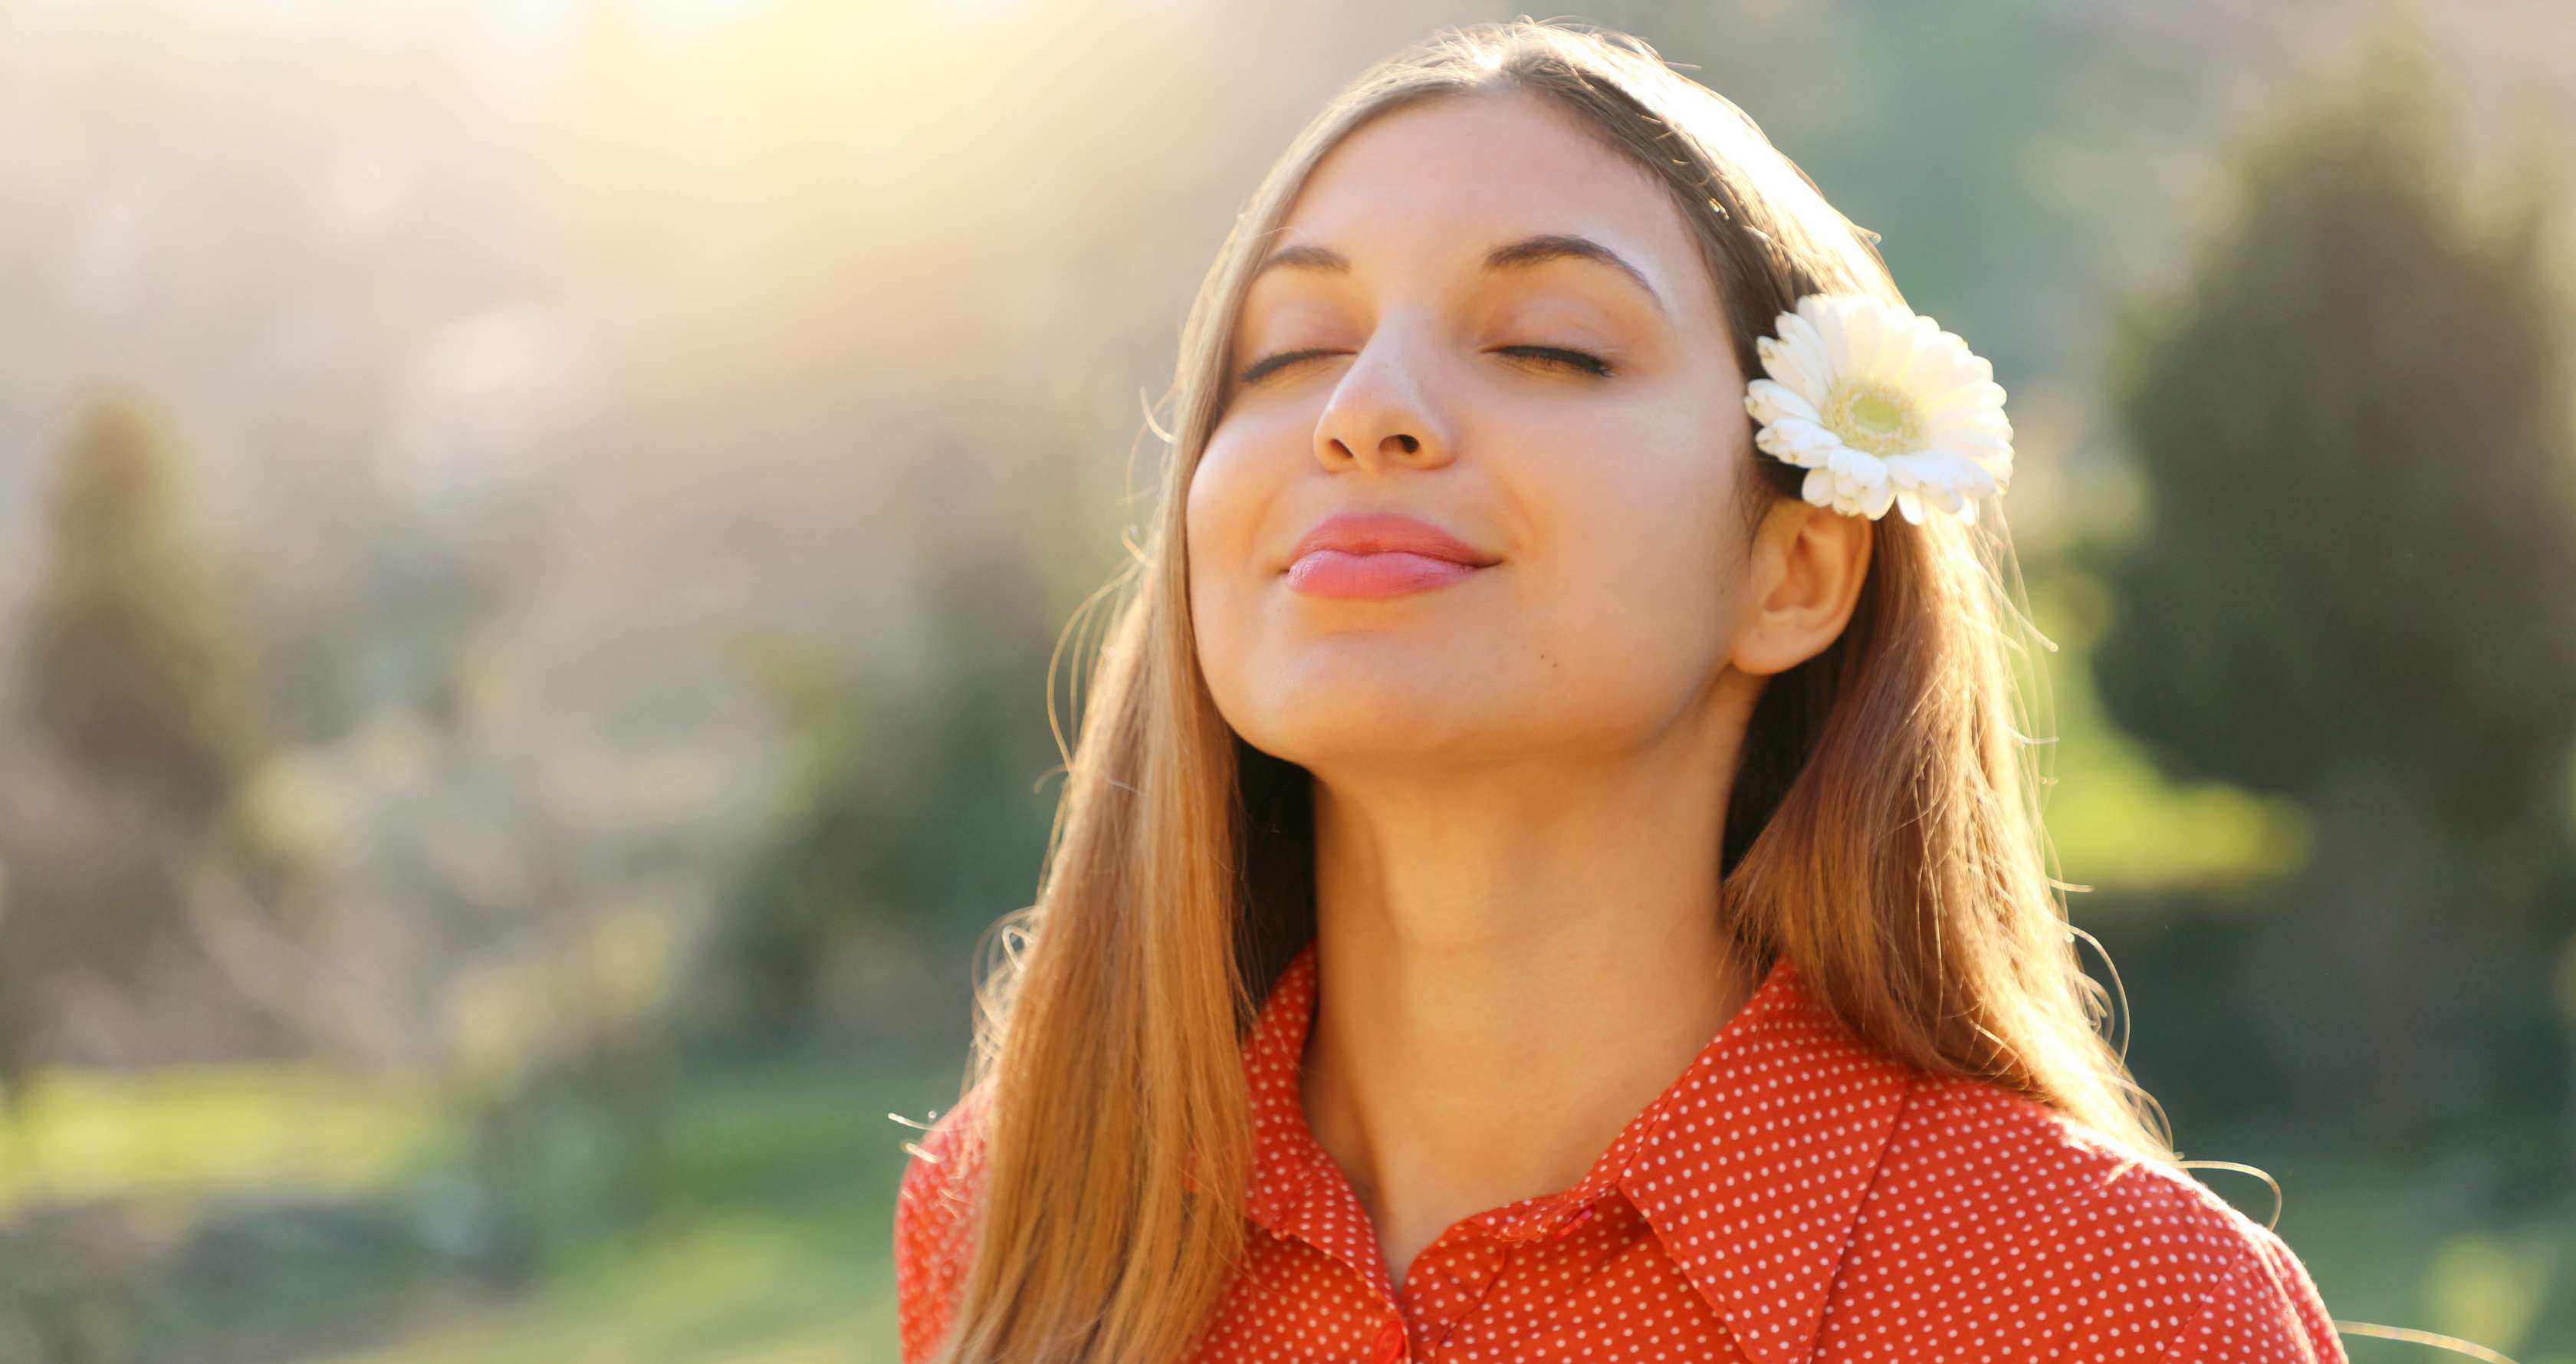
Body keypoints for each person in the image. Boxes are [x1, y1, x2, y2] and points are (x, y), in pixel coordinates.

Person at [894, 18, 2346, 1364]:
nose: (1363, 409)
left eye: (1550, 345)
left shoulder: (2120, 1306)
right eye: (1292, 352)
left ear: (1794, 572)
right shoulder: (1012, 1217)